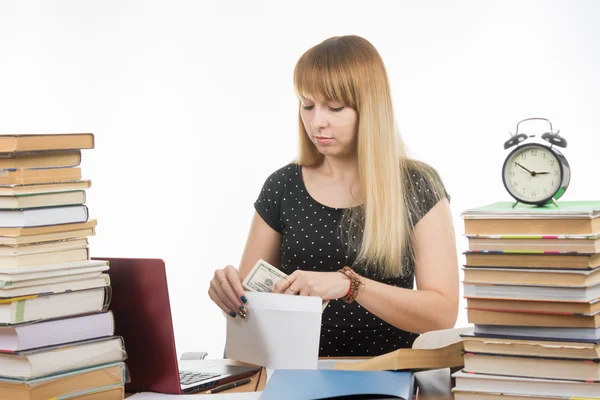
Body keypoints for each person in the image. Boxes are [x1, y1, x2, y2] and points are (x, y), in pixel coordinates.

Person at [208, 35, 459, 357]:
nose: (317, 122)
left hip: (388, 373)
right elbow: (250, 308)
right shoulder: (283, 185)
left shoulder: (416, 185)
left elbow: (441, 315)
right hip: (294, 373)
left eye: (335, 107)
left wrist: (350, 285)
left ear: (370, 109)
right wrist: (229, 295)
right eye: (307, 105)